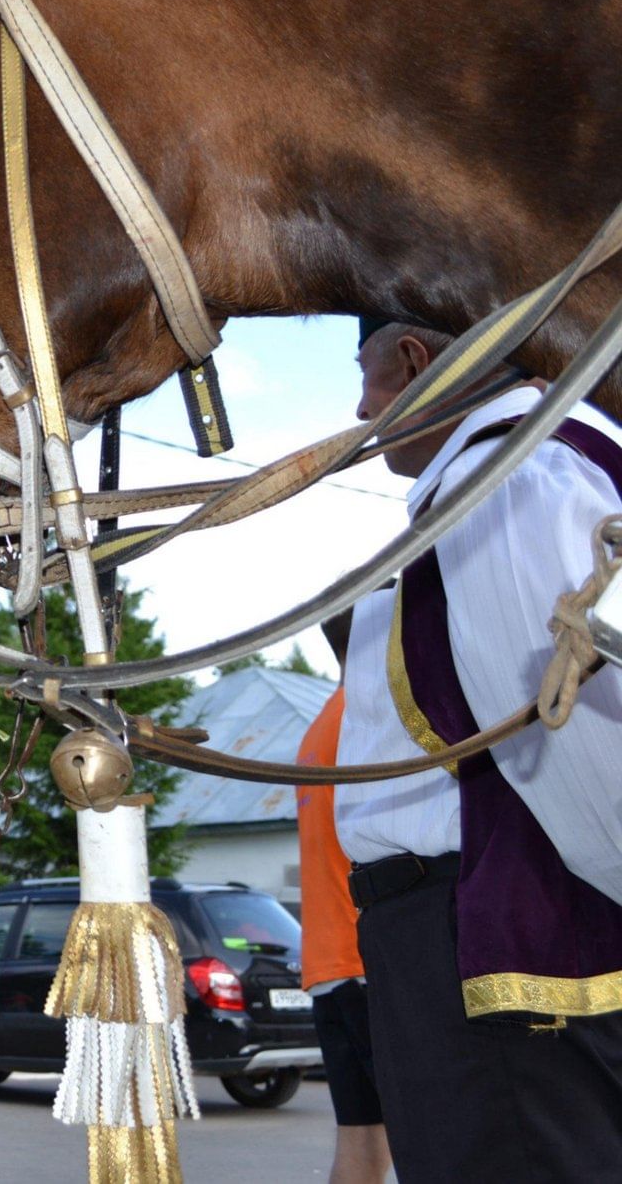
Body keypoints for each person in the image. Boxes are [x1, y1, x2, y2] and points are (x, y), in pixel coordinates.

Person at [334, 317, 622, 1182]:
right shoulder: (503, 475)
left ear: (417, 357)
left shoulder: (503, 479)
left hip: (497, 947)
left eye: (369, 377)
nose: (361, 409)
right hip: (466, 936)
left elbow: (571, 738)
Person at [294, 678, 391, 1184]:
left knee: (361, 1137)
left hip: (332, 964)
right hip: (369, 962)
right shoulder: (372, 711)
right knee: (433, 1132)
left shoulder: (322, 726)